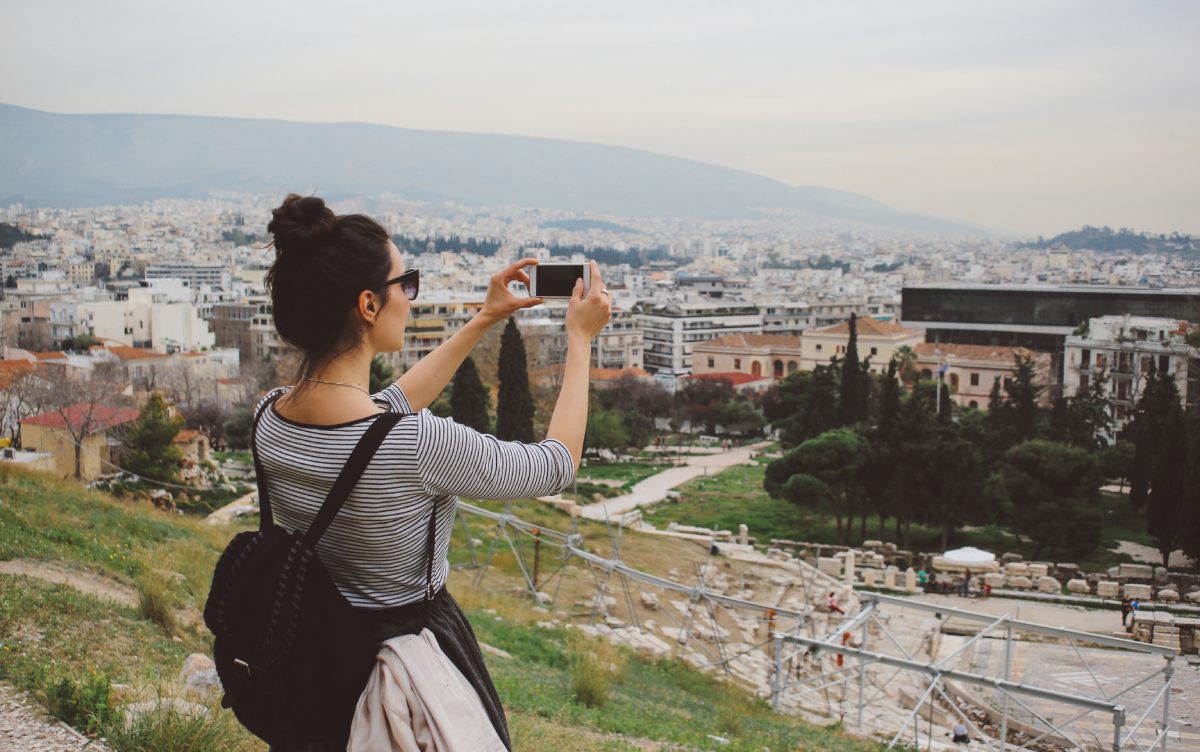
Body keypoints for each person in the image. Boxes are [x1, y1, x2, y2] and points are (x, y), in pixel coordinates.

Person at [254, 194, 611, 751]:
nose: (412, 296)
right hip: (408, 663)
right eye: (408, 283)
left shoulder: (269, 418)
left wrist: (485, 318)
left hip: (317, 656)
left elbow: (385, 409)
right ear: (369, 305)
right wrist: (581, 342)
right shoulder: (417, 444)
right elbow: (554, 465)